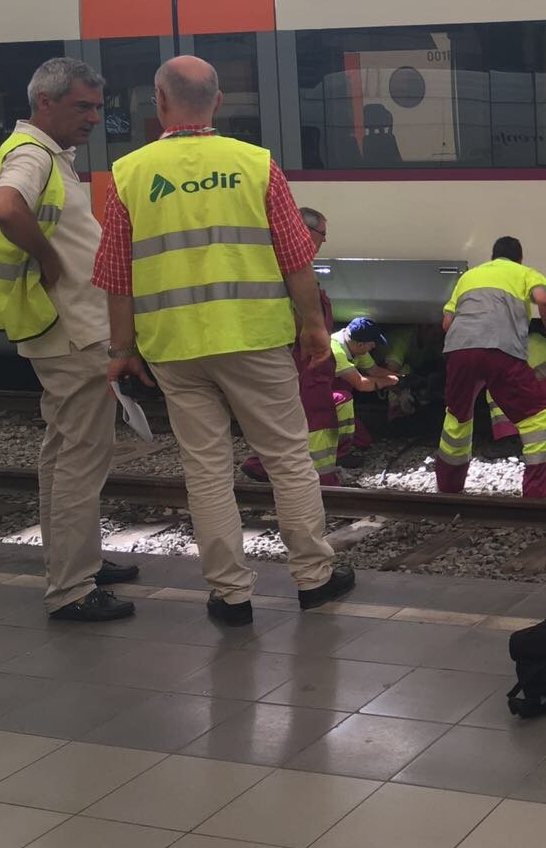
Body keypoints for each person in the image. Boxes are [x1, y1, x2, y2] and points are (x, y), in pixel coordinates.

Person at [94, 55, 354, 626]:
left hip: (175, 346)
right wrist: (314, 326)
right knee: (288, 458)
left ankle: (230, 595)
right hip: (255, 337)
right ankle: (314, 577)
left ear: (159, 103)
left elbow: (117, 277)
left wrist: (120, 351)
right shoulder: (256, 164)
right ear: (217, 102)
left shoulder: (129, 174)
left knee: (206, 470)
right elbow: (295, 259)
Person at [0, 58, 138, 622]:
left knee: (61, 454)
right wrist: (49, 259)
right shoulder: (32, 155)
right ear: (44, 103)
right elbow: (5, 207)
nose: (95, 117)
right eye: (82, 106)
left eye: (98, 106)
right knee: (81, 457)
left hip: (62, 327)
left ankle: (77, 562)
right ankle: (73, 588)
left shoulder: (48, 156)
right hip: (72, 331)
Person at [437, 236, 546, 497]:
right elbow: (542, 299)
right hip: (501, 349)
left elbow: (447, 324)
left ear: (493, 257)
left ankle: (449, 488)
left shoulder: (469, 276)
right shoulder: (524, 273)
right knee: (535, 415)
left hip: (460, 349)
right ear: (519, 258)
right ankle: (538, 491)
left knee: (458, 415)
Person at [241, 206, 340, 485]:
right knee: (315, 417)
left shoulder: (274, 262)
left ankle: (263, 463)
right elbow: (295, 317)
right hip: (303, 362)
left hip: (295, 358)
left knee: (283, 415)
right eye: (322, 234)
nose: (324, 241)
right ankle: (323, 480)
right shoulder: (292, 268)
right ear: (306, 232)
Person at [331, 316, 400, 465]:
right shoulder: (336, 350)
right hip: (319, 397)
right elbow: (361, 384)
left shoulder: (355, 346)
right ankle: (340, 455)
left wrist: (400, 377)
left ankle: (345, 444)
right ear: (360, 344)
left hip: (335, 398)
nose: (374, 347)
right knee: (345, 398)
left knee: (364, 442)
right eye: (371, 344)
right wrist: (388, 382)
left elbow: (374, 370)